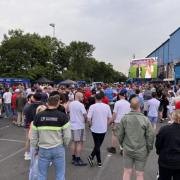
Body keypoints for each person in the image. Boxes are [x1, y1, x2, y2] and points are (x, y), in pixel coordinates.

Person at [31, 95, 71, 180]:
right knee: (60, 175)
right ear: (57, 104)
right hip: (58, 148)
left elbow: (33, 136)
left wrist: (36, 148)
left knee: (41, 175)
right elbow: (67, 136)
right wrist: (64, 145)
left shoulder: (38, 116)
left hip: (43, 148)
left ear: (47, 103)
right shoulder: (63, 116)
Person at [115, 98, 155, 180]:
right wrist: (149, 148)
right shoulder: (145, 119)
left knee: (127, 171)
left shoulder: (124, 119)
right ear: (140, 106)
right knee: (139, 174)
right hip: (141, 149)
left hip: (127, 148)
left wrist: (122, 145)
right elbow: (150, 135)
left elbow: (120, 134)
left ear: (130, 106)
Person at [155, 101, 180, 180]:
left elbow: (158, 144)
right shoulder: (165, 129)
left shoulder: (164, 129)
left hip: (165, 161)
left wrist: (159, 152)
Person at [87, 93, 112, 167]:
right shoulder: (107, 106)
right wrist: (106, 124)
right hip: (103, 128)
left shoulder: (92, 106)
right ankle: (99, 161)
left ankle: (92, 157)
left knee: (97, 145)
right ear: (102, 99)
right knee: (98, 145)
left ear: (95, 98)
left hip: (94, 128)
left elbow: (89, 118)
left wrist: (90, 124)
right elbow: (110, 118)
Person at [107, 89, 131, 154]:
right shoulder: (128, 103)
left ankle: (113, 148)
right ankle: (122, 150)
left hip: (118, 121)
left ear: (120, 95)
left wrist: (110, 122)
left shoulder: (117, 103)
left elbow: (114, 114)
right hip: (126, 121)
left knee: (114, 135)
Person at [69, 92, 87, 166]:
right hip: (79, 125)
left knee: (73, 142)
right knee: (79, 142)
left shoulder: (71, 103)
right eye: (82, 97)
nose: (83, 98)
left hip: (72, 125)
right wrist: (86, 120)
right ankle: (78, 159)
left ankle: (73, 158)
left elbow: (67, 111)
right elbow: (85, 114)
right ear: (79, 97)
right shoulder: (81, 105)